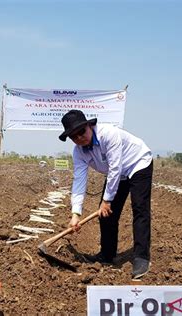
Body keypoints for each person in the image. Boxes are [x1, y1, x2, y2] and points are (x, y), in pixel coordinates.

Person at [59, 110, 153, 279]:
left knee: (139, 208)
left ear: (89, 126)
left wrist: (107, 200)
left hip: (137, 163)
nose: (79, 138)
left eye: (81, 131)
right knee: (106, 214)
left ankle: (141, 257)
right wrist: (75, 214)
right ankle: (107, 255)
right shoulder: (79, 152)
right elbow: (79, 181)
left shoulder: (108, 134)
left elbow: (115, 168)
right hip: (118, 173)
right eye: (74, 136)